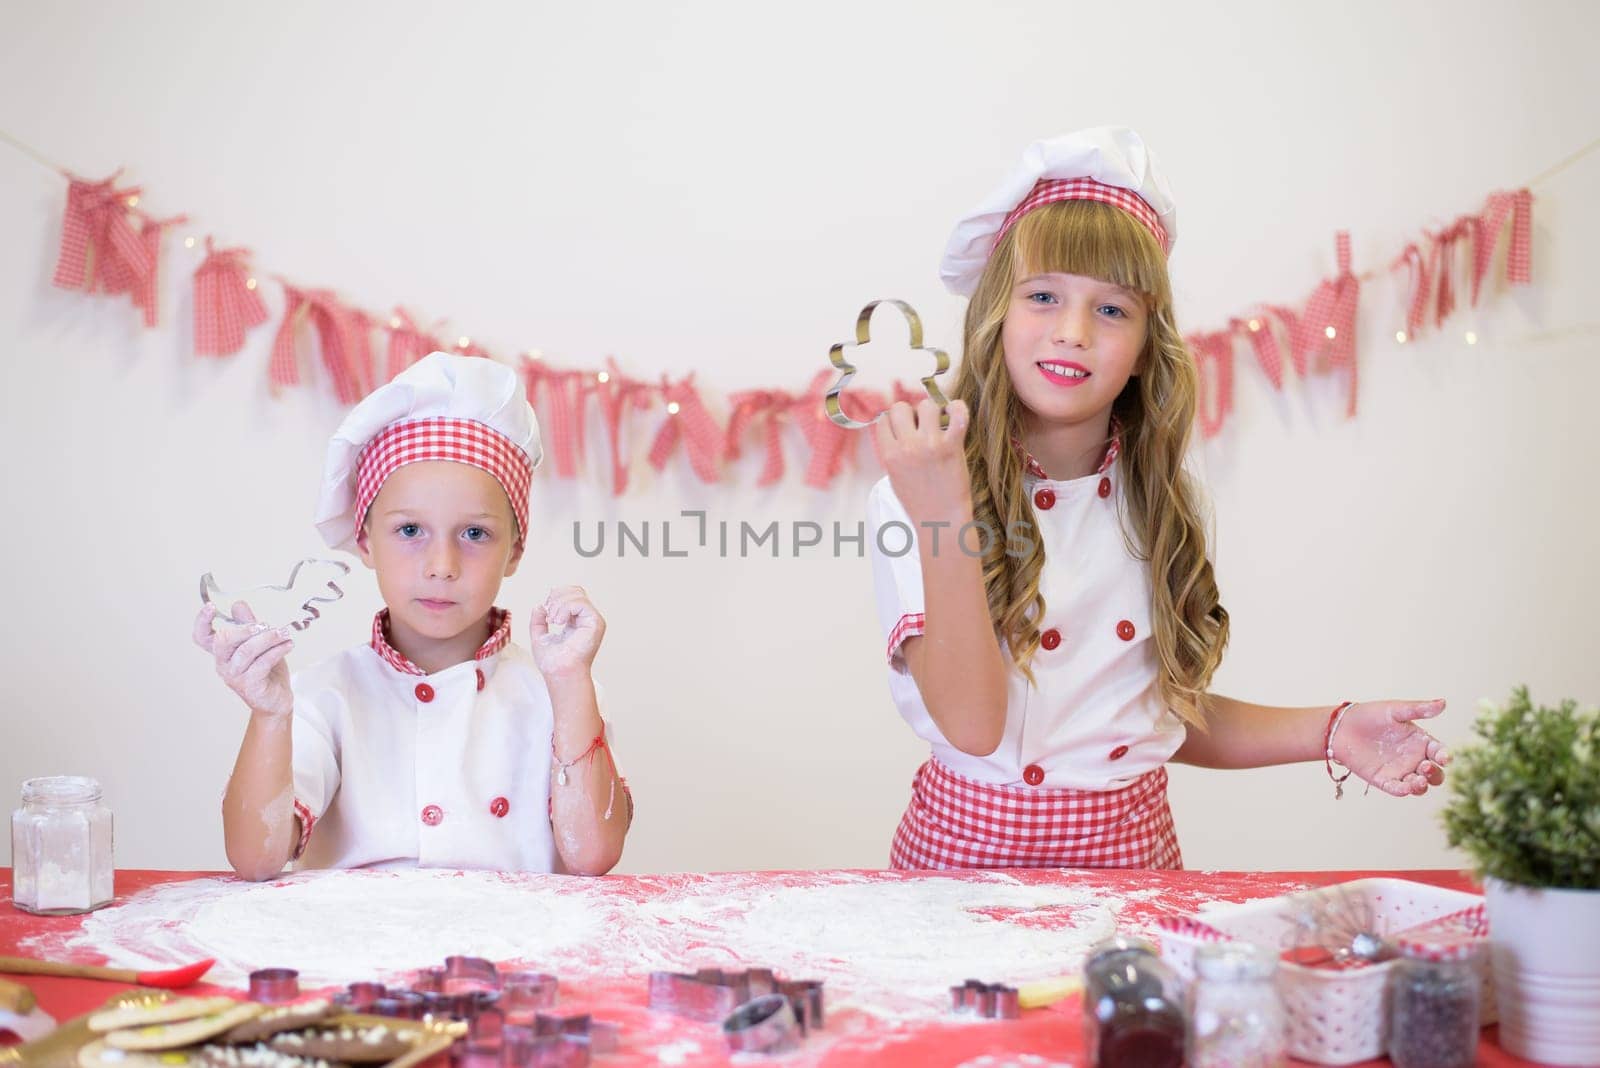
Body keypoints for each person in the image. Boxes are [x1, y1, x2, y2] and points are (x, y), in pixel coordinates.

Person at [869, 127, 1447, 869]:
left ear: (1146, 347)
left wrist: (1331, 729)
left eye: (1112, 310)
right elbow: (975, 726)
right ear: (995, 317)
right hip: (961, 874)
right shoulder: (916, 497)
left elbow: (1143, 718)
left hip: (1135, 866)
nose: (1072, 332)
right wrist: (944, 510)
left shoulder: (1158, 500)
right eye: (1043, 296)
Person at [194, 351, 630, 878]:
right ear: (364, 541)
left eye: (474, 533)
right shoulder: (322, 696)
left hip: (516, 952)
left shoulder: (556, 692)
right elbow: (253, 859)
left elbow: (594, 856)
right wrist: (269, 715)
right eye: (409, 530)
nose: (441, 566)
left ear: (514, 551)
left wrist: (569, 684)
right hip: (363, 953)